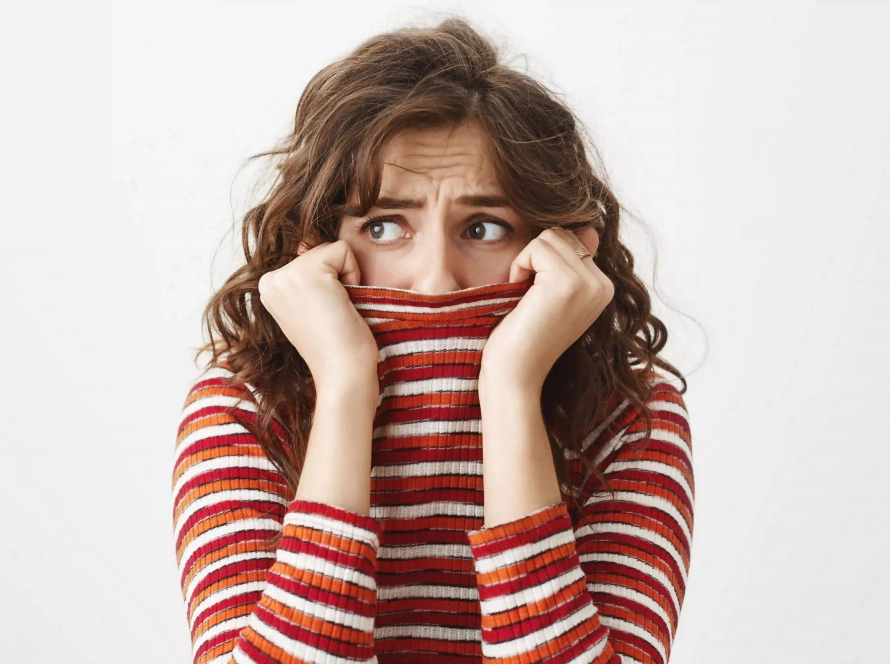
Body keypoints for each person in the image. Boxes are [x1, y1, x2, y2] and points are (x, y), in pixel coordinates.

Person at [172, 16, 693, 664]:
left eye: (483, 228)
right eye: (386, 226)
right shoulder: (244, 410)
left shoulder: (626, 418)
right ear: (317, 248)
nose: (436, 281)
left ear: (563, 248)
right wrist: (343, 389)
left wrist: (509, 390)